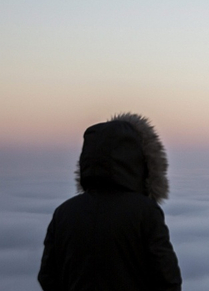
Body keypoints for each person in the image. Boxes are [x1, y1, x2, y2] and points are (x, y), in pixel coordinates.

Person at [38, 113, 182, 291]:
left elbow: (48, 276)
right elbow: (167, 279)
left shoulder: (64, 213)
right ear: (142, 162)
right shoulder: (145, 212)